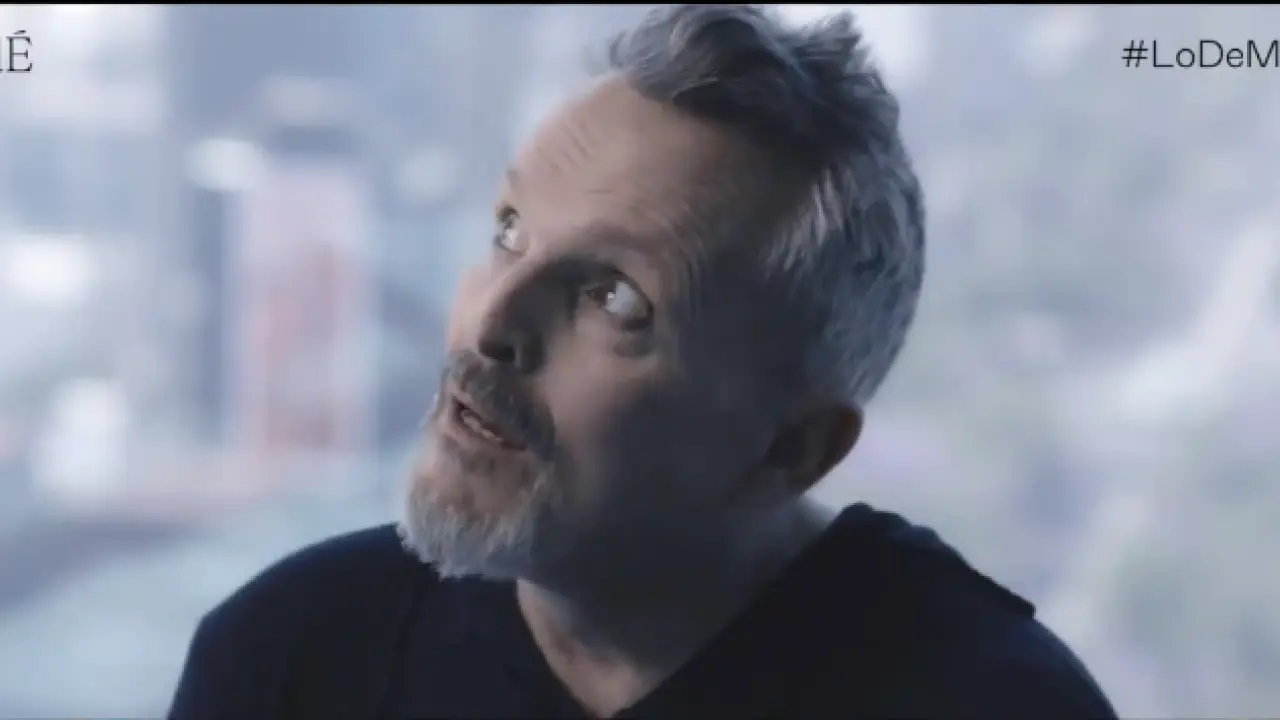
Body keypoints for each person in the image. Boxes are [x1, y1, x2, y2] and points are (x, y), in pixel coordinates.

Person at [169, 5, 1116, 718]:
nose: (490, 325)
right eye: (509, 231)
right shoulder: (292, 655)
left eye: (614, 298)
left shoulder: (994, 700)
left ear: (790, 449)